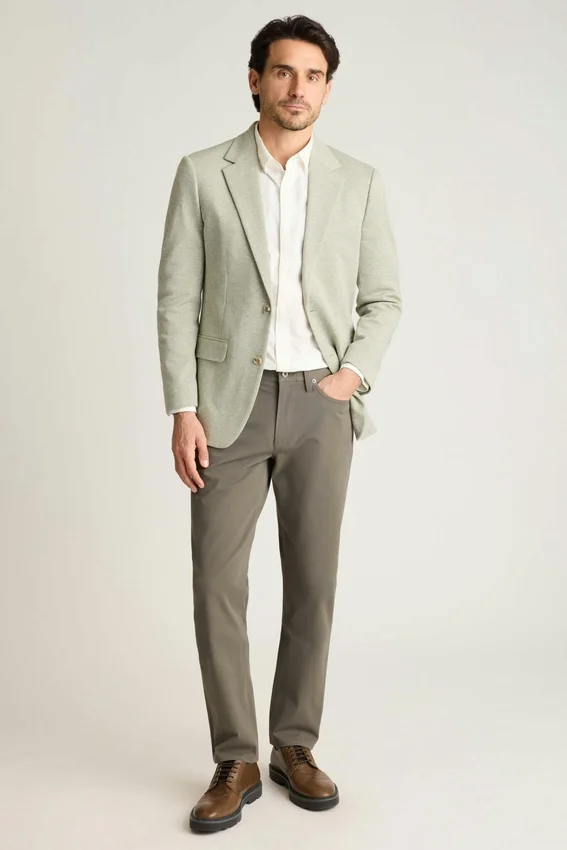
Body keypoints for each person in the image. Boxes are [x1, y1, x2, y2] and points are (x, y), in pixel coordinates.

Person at [156, 14, 402, 834]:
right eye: (284, 72)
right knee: (216, 586)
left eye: (313, 75)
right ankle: (235, 757)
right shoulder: (203, 173)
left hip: (317, 406)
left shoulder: (357, 181)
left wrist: (347, 379)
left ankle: (295, 743)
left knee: (313, 583)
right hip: (225, 406)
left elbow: (382, 298)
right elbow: (177, 299)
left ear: (328, 88)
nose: (298, 88)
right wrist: (183, 407)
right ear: (255, 79)